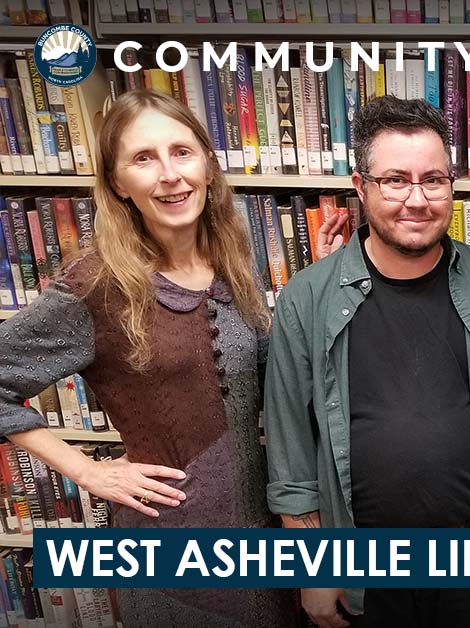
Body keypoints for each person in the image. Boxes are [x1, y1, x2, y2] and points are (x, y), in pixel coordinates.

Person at [0, 90, 298, 627]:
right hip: (168, 548)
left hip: (262, 535)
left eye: (181, 152)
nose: (169, 174)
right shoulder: (97, 285)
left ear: (207, 163)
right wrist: (85, 471)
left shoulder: (234, 258)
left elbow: (273, 380)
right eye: (143, 158)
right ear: (117, 185)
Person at [262, 95, 470, 628]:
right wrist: (313, 571)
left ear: (451, 187)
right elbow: (291, 452)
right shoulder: (308, 299)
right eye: (395, 180)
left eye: (433, 179)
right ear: (360, 187)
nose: (417, 199)